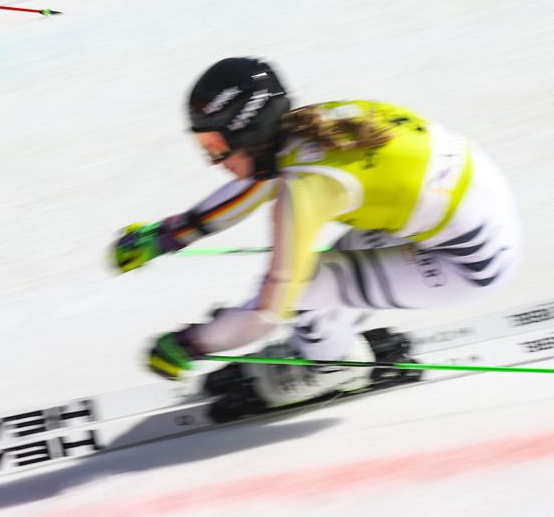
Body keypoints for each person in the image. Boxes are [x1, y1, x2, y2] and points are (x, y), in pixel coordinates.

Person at [112, 56, 522, 410]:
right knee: (329, 269)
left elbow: (268, 312)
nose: (214, 160)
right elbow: (256, 184)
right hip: (476, 213)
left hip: (471, 264)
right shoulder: (310, 125)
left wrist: (192, 344)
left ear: (247, 133)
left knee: (302, 288)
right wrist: (168, 235)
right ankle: (325, 339)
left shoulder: (305, 188)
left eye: (216, 145)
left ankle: (334, 367)